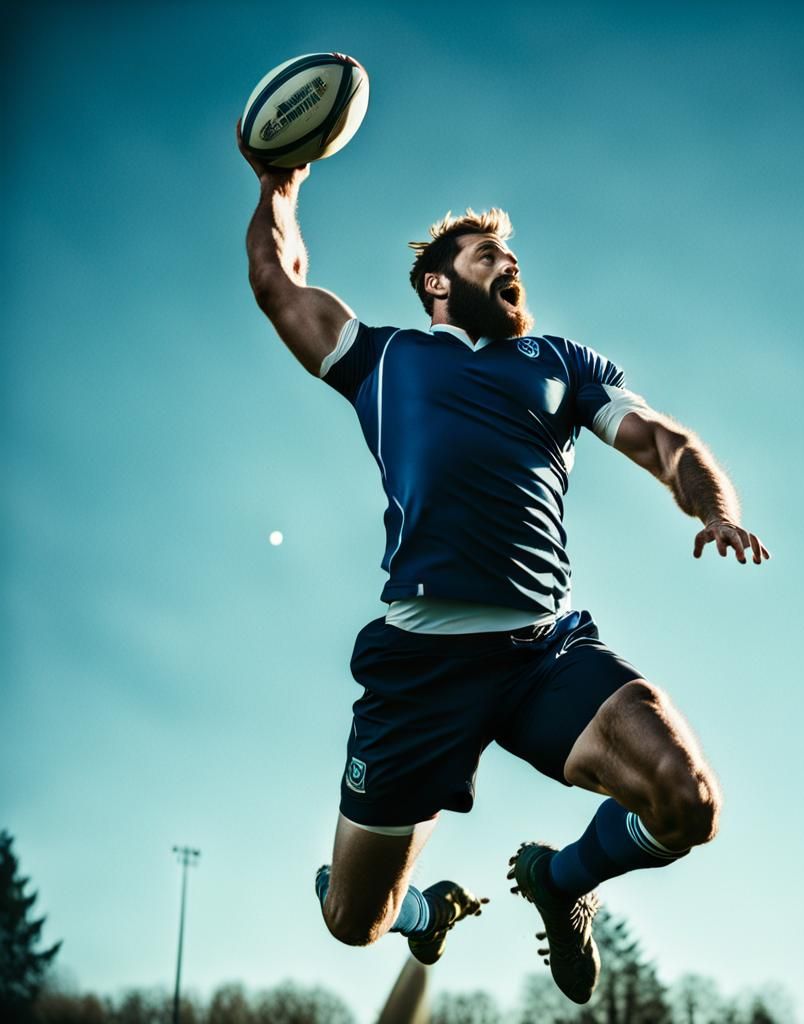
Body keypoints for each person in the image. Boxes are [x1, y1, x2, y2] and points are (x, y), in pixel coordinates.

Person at [239, 130, 769, 1005]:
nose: (508, 260)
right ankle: (423, 916)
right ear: (439, 283)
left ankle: (563, 879)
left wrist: (717, 508)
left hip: (541, 655)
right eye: (488, 253)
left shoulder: (559, 365)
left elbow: (666, 441)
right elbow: (278, 283)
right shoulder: (383, 360)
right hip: (419, 672)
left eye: (511, 252)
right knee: (354, 922)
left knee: (688, 801)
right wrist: (279, 183)